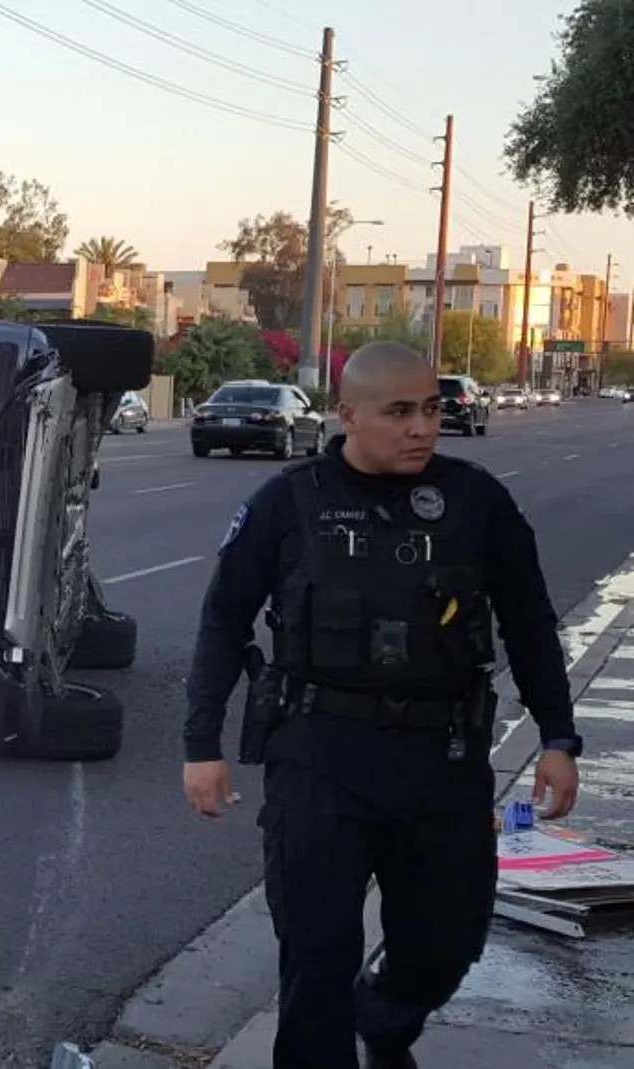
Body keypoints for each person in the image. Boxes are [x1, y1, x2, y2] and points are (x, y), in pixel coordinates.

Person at [180, 341, 583, 1069]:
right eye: (399, 412)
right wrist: (200, 743)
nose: (421, 427)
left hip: (441, 760)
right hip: (319, 756)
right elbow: (223, 620)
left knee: (447, 941)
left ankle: (388, 1015)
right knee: (315, 957)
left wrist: (557, 734)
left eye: (430, 408)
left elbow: (528, 621)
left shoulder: (475, 501)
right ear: (349, 415)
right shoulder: (288, 503)